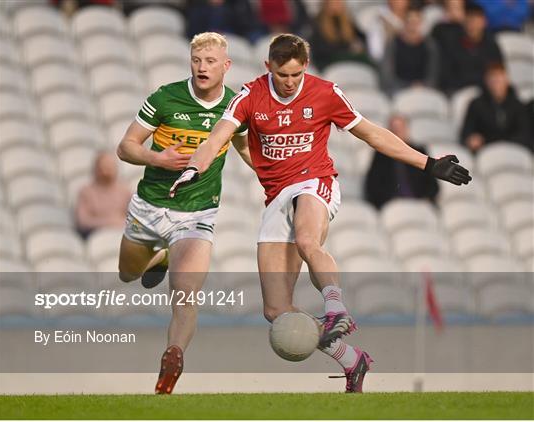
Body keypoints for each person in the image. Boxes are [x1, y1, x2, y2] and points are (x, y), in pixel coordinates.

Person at [169, 34, 472, 393]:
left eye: (296, 75)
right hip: (277, 196)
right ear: (269, 67)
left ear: (305, 68)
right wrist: (194, 168)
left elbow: (372, 134)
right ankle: (350, 359)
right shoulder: (249, 97)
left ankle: (335, 307)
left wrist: (428, 163)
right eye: (282, 74)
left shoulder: (325, 93)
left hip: (315, 182)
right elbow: (216, 138)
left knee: (306, 238)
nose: (289, 82)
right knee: (276, 310)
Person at [116, 32, 250, 394]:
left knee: (185, 292)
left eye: (210, 62)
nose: (202, 68)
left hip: (197, 212)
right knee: (128, 274)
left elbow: (244, 149)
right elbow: (125, 147)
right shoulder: (164, 97)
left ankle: (171, 360)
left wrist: (278, 181)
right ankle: (158, 256)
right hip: (150, 205)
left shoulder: (237, 106)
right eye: (197, 61)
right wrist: (156, 157)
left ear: (226, 66)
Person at [364, 114, 439, 209]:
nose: (398, 133)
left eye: (400, 129)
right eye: (394, 130)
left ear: (407, 129)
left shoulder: (419, 151)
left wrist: (426, 199)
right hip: (393, 205)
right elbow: (373, 184)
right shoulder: (381, 155)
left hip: (419, 203)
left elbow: (433, 184)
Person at [460, 62, 530, 153]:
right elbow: (466, 133)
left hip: (514, 151)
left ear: (507, 80)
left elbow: (525, 133)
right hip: (484, 152)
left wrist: (504, 143)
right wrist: (471, 139)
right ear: (486, 81)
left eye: (499, 78)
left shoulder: (518, 106)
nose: (496, 82)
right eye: (493, 78)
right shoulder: (476, 105)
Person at [438, 2, 503, 94]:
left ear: (484, 22)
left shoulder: (492, 45)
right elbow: (446, 76)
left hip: (486, 94)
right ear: (464, 22)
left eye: (476, 20)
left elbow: (498, 72)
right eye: (469, 20)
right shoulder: (452, 43)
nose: (472, 25)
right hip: (458, 92)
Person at [381, 7, 439, 95]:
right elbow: (387, 74)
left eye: (416, 23)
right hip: (397, 89)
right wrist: (407, 87)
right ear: (404, 23)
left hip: (424, 89)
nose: (413, 26)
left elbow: (433, 73)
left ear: (421, 24)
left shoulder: (429, 45)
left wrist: (423, 85)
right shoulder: (393, 44)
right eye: (410, 22)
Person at [75, 151, 132, 239]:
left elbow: (136, 220)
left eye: (110, 166)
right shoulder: (86, 192)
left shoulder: (125, 192)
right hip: (95, 238)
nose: (106, 171)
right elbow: (83, 222)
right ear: (96, 168)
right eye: (103, 166)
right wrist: (109, 222)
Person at [310, 0, 371, 71]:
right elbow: (321, 49)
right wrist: (348, 49)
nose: (337, 5)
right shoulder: (317, 23)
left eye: (339, 2)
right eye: (334, 3)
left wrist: (358, 46)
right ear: (326, 4)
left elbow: (361, 38)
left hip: (347, 60)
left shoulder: (348, 22)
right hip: (329, 62)